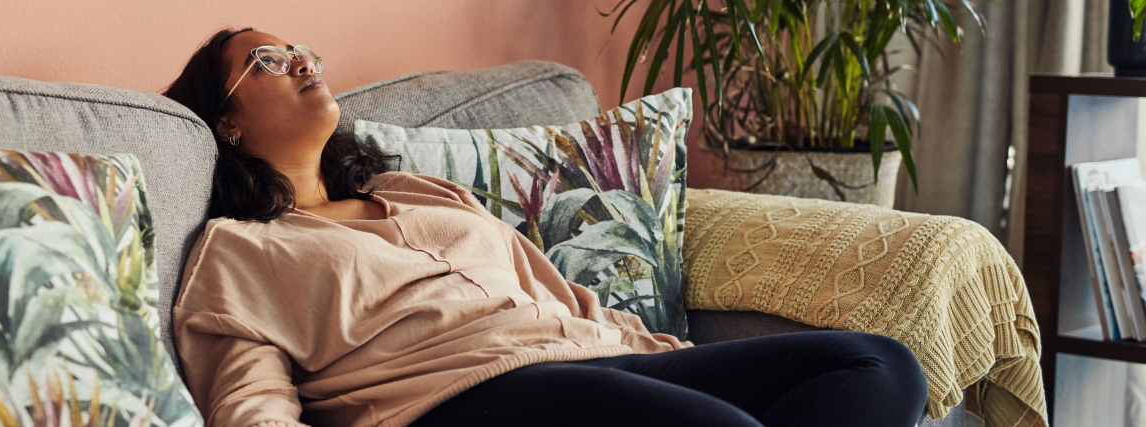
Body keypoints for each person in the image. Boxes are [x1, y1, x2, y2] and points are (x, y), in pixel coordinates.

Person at [161, 27, 930, 427]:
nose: (301, 61)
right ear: (225, 120)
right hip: (462, 398)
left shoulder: (417, 193)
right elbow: (249, 400)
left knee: (880, 367)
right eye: (267, 59)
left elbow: (557, 294)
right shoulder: (240, 251)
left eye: (302, 50)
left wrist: (670, 355)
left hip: (589, 358)